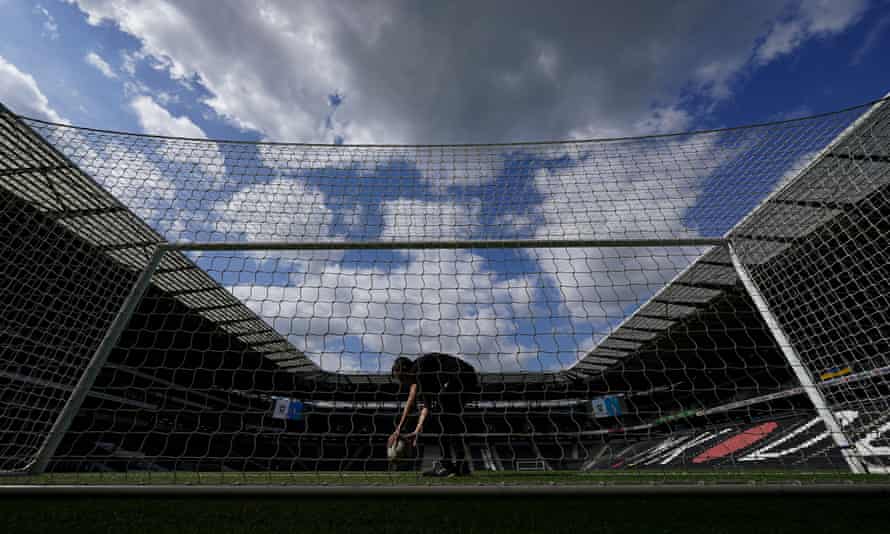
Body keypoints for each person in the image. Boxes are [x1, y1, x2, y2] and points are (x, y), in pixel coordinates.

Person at [388, 352, 479, 477]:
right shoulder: (419, 372)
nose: (402, 383)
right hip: (464, 377)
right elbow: (416, 402)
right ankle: (454, 465)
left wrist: (414, 430)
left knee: (444, 415)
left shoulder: (419, 371)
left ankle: (456, 466)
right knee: (445, 418)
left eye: (402, 378)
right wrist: (406, 429)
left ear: (404, 370)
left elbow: (424, 404)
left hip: (462, 377)